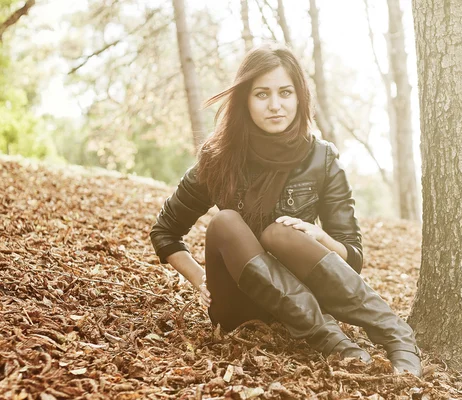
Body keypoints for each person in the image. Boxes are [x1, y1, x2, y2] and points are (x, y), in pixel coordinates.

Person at [149, 42, 421, 377]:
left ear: (299, 97)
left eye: (285, 93)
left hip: (307, 297)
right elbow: (165, 232)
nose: (275, 105)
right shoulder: (219, 157)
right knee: (226, 222)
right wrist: (198, 277)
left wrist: (320, 237)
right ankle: (337, 344)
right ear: (245, 100)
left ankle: (398, 337)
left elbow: (353, 257)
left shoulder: (321, 157)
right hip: (240, 303)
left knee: (281, 233)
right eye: (262, 94)